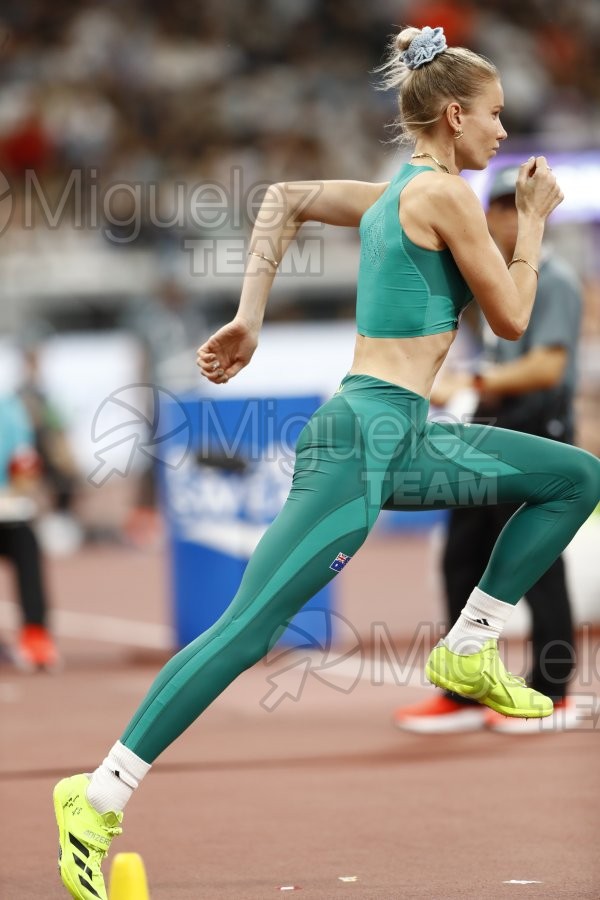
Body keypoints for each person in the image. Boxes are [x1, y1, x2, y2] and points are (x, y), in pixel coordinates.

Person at [53, 26, 600, 900]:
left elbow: (283, 199)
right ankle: (95, 796)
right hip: (363, 441)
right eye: (496, 115)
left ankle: (468, 645)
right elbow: (510, 316)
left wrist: (251, 317)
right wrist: (532, 225)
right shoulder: (446, 196)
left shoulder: (396, 196)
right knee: (248, 631)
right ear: (455, 117)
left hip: (405, 435)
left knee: (574, 476)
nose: (504, 133)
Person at [393, 165, 584, 735]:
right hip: (489, 422)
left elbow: (548, 366)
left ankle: (554, 691)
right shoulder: (489, 275)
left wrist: (471, 382)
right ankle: (463, 691)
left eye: (501, 212)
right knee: (462, 552)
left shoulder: (555, 278)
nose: (492, 224)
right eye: (493, 212)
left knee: (538, 563)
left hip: (536, 425)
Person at [0, 391, 59, 670]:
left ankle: (35, 634)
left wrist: (23, 480)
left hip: (7, 512)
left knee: (27, 544)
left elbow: (24, 462)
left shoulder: (9, 410)